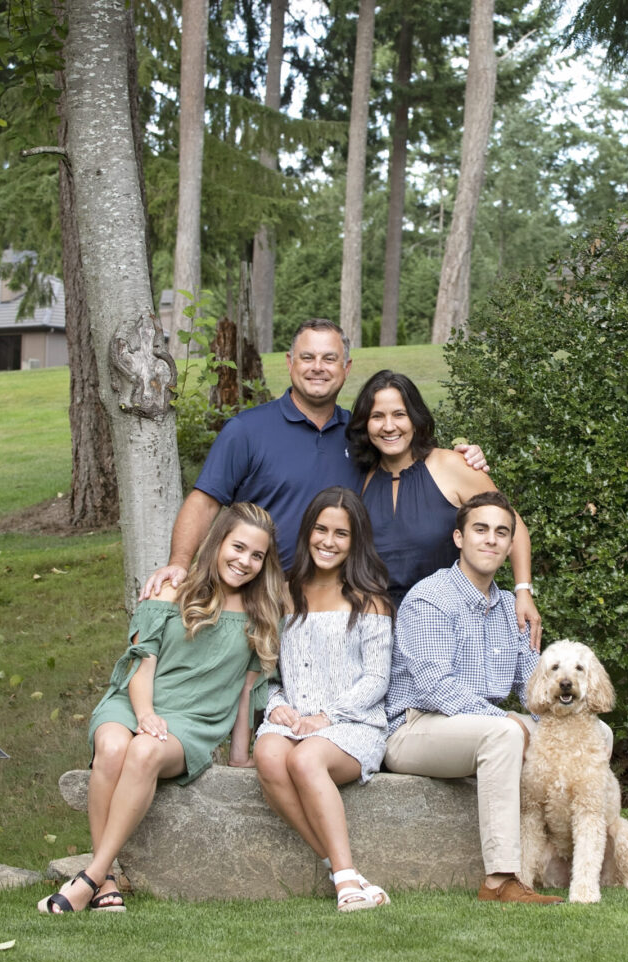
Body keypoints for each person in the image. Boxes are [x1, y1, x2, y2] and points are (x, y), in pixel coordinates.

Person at [37, 503, 283, 914]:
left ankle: (91, 876)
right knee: (114, 748)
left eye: (257, 555)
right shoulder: (172, 589)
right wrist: (146, 713)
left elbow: (245, 692)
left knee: (146, 750)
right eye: (238, 547)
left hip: (193, 722)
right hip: (134, 701)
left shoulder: (261, 613)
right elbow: (141, 660)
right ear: (217, 542)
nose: (245, 561)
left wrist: (241, 756)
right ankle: (107, 877)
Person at [140, 319, 486, 594]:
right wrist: (180, 563)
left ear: (346, 368)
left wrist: (467, 459)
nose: (317, 367)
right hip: (259, 593)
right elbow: (204, 503)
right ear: (291, 362)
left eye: (329, 358)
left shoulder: (364, 433)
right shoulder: (246, 430)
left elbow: (410, 458)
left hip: (335, 601)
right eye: (307, 357)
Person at [383, 491, 562, 905]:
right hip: (415, 727)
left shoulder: (509, 608)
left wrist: (562, 715)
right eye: (480, 530)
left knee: (595, 733)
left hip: (479, 728)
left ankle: (574, 857)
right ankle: (500, 881)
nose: (491, 540)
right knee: (504, 733)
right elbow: (435, 686)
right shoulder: (430, 598)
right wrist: (513, 723)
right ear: (459, 538)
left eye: (502, 533)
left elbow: (532, 686)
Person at [253, 487, 394, 912]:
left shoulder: (370, 601)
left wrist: (326, 716)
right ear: (307, 531)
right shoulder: (283, 593)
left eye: (341, 534)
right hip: (292, 716)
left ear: (355, 542)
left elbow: (376, 680)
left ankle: (345, 878)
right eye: (320, 529)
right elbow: (265, 666)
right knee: (269, 755)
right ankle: (342, 872)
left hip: (353, 724)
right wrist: (275, 700)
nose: (328, 542)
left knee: (305, 759)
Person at [346, 370, 541, 648]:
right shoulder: (360, 480)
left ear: (415, 418)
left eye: (399, 414)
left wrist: (523, 591)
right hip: (377, 635)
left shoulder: (451, 466)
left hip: (449, 628)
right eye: (377, 416)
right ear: (365, 424)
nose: (389, 426)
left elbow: (513, 525)